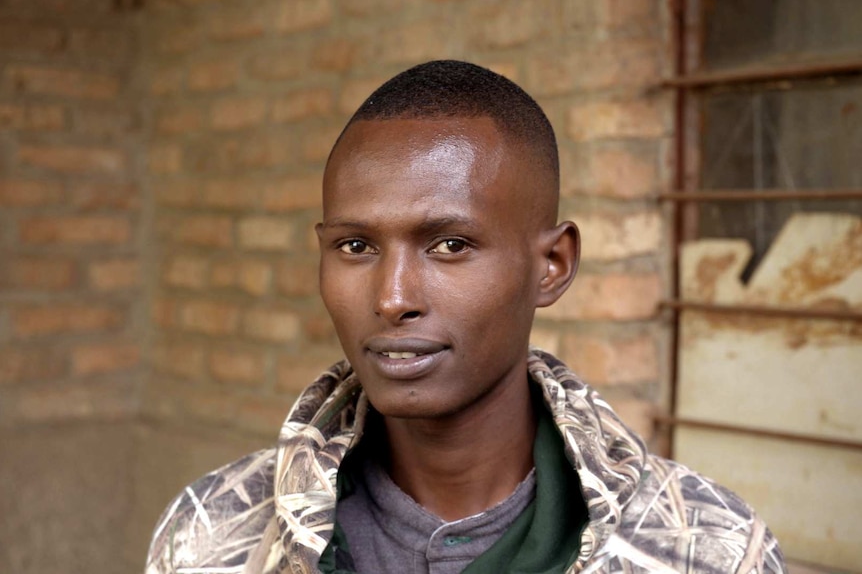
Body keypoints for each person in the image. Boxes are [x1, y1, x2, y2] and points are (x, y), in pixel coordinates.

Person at [146, 60, 786, 574]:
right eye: (355, 247)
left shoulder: (708, 549)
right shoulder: (216, 533)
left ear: (553, 265)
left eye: (450, 245)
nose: (392, 297)